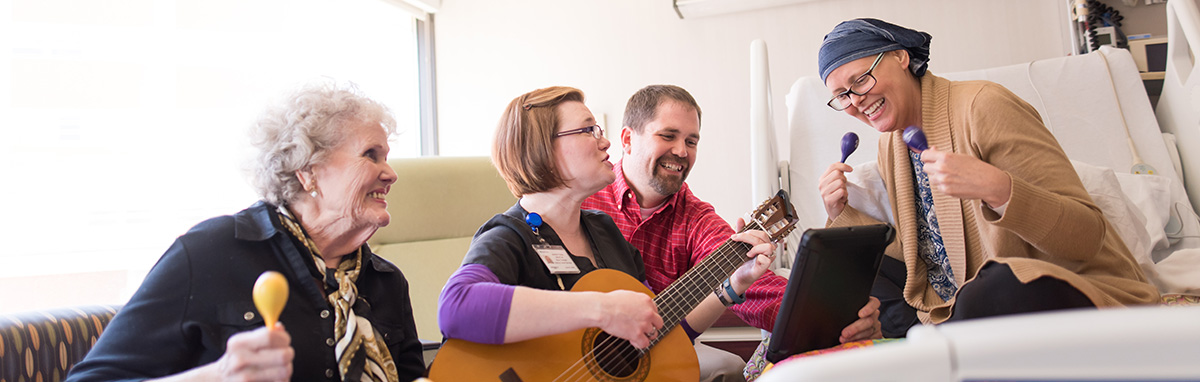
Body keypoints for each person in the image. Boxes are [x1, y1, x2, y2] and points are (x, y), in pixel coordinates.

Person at [66, 82, 425, 381]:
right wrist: (217, 375)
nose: (390, 173)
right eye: (371, 155)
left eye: (387, 156)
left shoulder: (386, 282)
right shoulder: (211, 253)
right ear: (308, 171)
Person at [816, 18, 1159, 330]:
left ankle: (936, 338)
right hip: (954, 305)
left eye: (861, 79)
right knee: (843, 273)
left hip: (1061, 290)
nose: (856, 100)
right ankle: (920, 335)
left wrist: (999, 190)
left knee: (997, 285)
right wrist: (841, 213)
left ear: (901, 57)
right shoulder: (891, 146)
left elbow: (1086, 235)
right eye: (842, 95)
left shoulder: (983, 106)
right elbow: (922, 255)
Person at [435, 86, 775, 366]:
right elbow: (456, 306)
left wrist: (732, 286)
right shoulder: (510, 235)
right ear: (541, 147)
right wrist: (604, 310)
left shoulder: (604, 231)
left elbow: (652, 336)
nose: (605, 142)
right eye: (588, 130)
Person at [582, 85, 883, 382]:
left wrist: (835, 317)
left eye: (692, 141)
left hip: (647, 358)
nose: (681, 151)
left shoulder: (696, 219)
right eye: (668, 135)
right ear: (627, 139)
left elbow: (757, 287)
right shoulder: (583, 194)